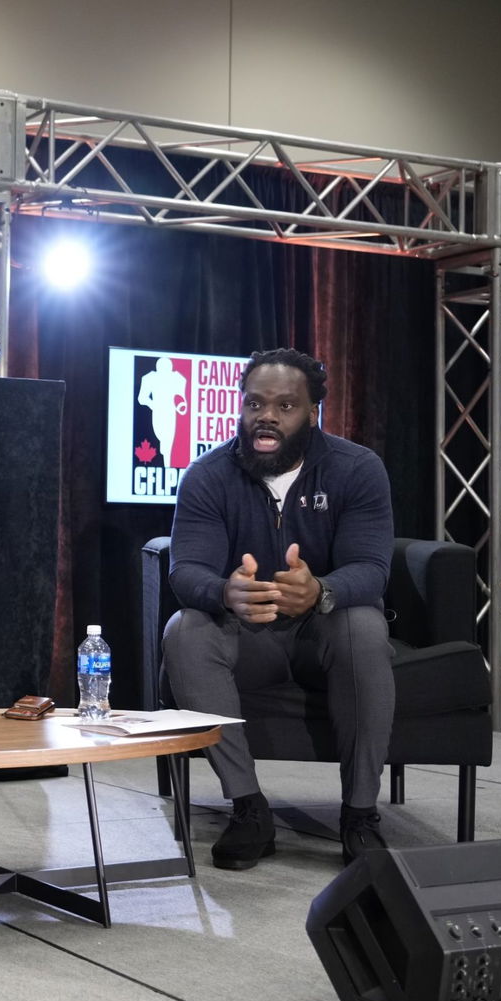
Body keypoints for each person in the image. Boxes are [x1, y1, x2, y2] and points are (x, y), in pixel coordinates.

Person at [161, 348, 393, 870]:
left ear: (312, 412)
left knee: (363, 624)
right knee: (185, 629)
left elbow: (372, 568)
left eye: (285, 406)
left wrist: (321, 589)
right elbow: (186, 570)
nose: (266, 416)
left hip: (324, 633)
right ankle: (248, 808)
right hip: (250, 638)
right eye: (255, 404)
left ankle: (360, 815)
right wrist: (226, 592)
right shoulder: (207, 475)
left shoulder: (357, 469)